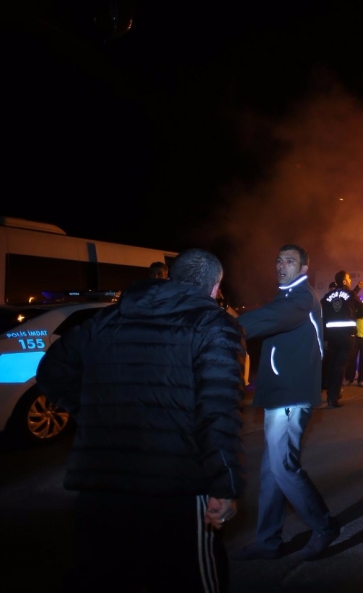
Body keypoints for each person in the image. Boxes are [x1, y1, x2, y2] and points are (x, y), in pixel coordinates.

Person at [36, 248, 245, 591]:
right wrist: (224, 485)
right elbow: (218, 410)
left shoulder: (109, 318)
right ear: (214, 287)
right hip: (176, 484)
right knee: (193, 578)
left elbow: (51, 370)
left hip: (102, 480)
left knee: (113, 574)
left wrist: (91, 413)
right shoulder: (214, 324)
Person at [234, 244, 340, 561]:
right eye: (279, 260)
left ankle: (324, 527)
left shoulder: (300, 298)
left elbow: (268, 318)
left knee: (283, 468)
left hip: (291, 396)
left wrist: (222, 324)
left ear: (304, 268)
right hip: (282, 393)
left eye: (290, 261)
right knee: (272, 471)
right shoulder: (287, 297)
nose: (282, 265)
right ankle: (268, 541)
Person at [321, 271, 363, 408]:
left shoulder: (328, 295)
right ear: (344, 281)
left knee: (331, 365)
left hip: (331, 336)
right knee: (340, 367)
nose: (350, 280)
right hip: (346, 336)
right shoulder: (350, 294)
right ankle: (333, 398)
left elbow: (321, 309)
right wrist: (353, 314)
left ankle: (331, 392)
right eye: (349, 278)